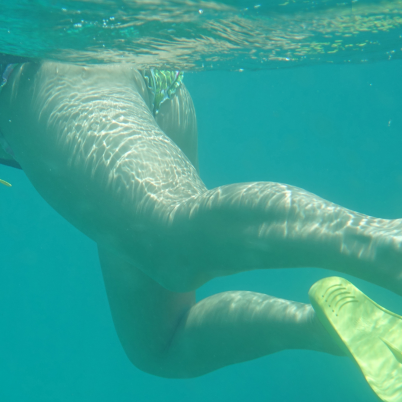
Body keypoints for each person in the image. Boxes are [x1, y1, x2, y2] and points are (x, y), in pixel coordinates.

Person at [1, 60, 401, 401]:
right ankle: (323, 327)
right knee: (160, 346)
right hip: (123, 76)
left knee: (172, 242)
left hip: (48, 79)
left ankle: (384, 244)